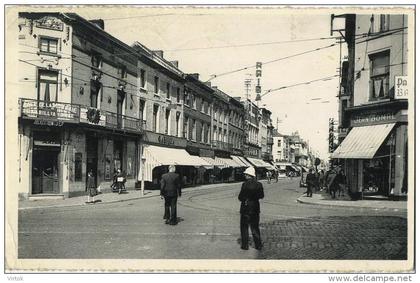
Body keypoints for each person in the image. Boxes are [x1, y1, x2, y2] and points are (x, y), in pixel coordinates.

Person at [238, 167, 264, 251]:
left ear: (249, 175)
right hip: (255, 208)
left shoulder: (244, 184)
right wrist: (254, 198)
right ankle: (258, 245)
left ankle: (245, 245)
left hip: (245, 208)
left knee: (244, 227)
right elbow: (261, 196)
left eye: (246, 174)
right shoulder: (259, 184)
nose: (245, 175)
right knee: (255, 227)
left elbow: (240, 197)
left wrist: (245, 199)